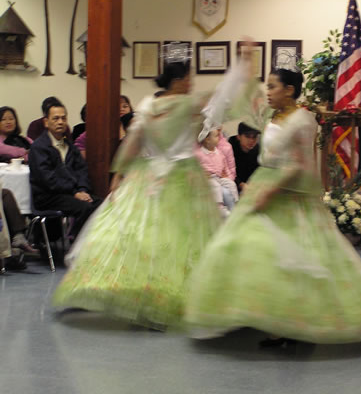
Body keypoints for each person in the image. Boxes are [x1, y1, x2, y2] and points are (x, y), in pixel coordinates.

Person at [185, 67, 361, 345]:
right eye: (267, 86)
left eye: (273, 86)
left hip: (288, 194)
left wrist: (270, 191)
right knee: (253, 250)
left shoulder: (302, 120)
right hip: (264, 185)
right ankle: (260, 315)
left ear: (289, 90)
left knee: (294, 257)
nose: (268, 92)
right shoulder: (274, 115)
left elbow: (299, 164)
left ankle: (294, 325)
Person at [52, 62, 222, 330]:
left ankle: (147, 297)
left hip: (149, 175)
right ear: (177, 80)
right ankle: (169, 301)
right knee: (178, 239)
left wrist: (119, 173)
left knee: (146, 235)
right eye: (188, 77)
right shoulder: (189, 105)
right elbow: (219, 101)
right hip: (182, 177)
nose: (191, 82)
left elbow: (133, 142)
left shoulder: (147, 106)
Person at [28, 101, 101, 241]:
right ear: (46, 122)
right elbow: (47, 179)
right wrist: (74, 192)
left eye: (63, 118)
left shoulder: (69, 146)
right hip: (48, 196)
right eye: (56, 118)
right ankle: (77, 245)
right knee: (84, 208)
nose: (60, 122)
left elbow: (82, 170)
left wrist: (83, 190)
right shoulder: (39, 147)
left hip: (70, 193)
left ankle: (92, 244)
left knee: (101, 204)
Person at [195, 128, 239, 216]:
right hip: (209, 179)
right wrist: (202, 174)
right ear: (207, 139)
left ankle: (236, 204)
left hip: (220, 177)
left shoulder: (219, 152)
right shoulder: (199, 154)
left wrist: (228, 177)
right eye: (216, 136)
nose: (219, 137)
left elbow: (225, 166)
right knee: (216, 186)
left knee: (231, 184)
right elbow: (196, 168)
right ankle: (219, 207)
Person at [228, 122, 260, 193]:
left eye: (254, 137)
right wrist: (240, 184)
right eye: (247, 136)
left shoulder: (257, 149)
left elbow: (258, 170)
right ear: (238, 137)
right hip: (233, 186)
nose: (251, 140)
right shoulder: (230, 149)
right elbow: (227, 171)